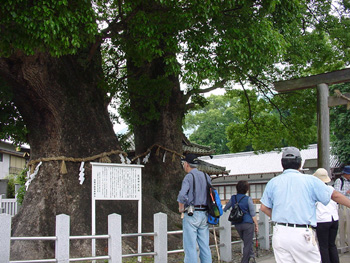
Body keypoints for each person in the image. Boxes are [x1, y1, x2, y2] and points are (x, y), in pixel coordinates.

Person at [260, 146, 350, 263]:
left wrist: (278, 216)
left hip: (280, 232)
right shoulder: (310, 181)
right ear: (300, 163)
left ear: (282, 163)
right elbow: (335, 195)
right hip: (301, 233)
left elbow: (263, 207)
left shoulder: (273, 182)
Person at [177, 153, 212, 263]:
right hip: (205, 214)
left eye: (183, 163)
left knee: (190, 246)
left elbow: (182, 195)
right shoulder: (206, 176)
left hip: (192, 213)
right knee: (204, 245)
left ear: (186, 164)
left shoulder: (189, 177)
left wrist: (181, 208)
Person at [224, 180, 258, 263]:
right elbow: (253, 213)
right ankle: (245, 261)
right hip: (247, 223)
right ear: (246, 189)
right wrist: (256, 225)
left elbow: (225, 209)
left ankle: (252, 257)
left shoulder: (233, 198)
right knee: (248, 243)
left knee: (247, 242)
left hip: (237, 224)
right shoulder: (248, 199)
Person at [313, 168, 339, 263]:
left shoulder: (314, 191)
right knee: (332, 244)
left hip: (322, 220)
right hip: (334, 219)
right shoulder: (331, 189)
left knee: (323, 246)